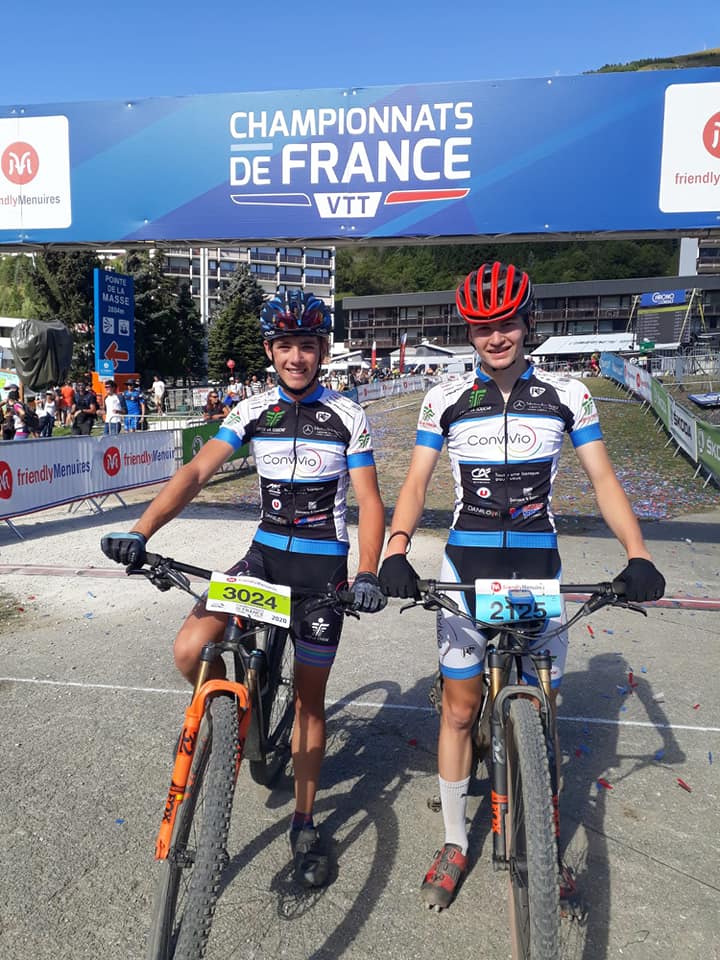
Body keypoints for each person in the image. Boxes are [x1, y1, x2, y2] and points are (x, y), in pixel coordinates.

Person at [378, 262, 666, 911]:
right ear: (469, 333)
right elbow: (416, 483)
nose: (496, 337)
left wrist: (638, 554)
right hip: (465, 567)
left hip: (538, 569)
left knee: (543, 712)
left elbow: (603, 480)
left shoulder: (568, 394)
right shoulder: (445, 398)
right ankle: (455, 842)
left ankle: (540, 832)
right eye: (483, 327)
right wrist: (396, 549)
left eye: (506, 323)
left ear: (527, 322)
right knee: (458, 710)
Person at [100, 289, 387, 888]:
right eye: (285, 346)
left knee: (309, 700)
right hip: (263, 560)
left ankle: (304, 820)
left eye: (306, 345)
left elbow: (368, 499)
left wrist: (366, 572)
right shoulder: (252, 410)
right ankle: (237, 716)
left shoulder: (348, 415)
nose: (295, 357)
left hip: (322, 572)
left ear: (322, 350)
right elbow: (196, 472)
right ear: (269, 350)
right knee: (189, 648)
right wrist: (140, 530)